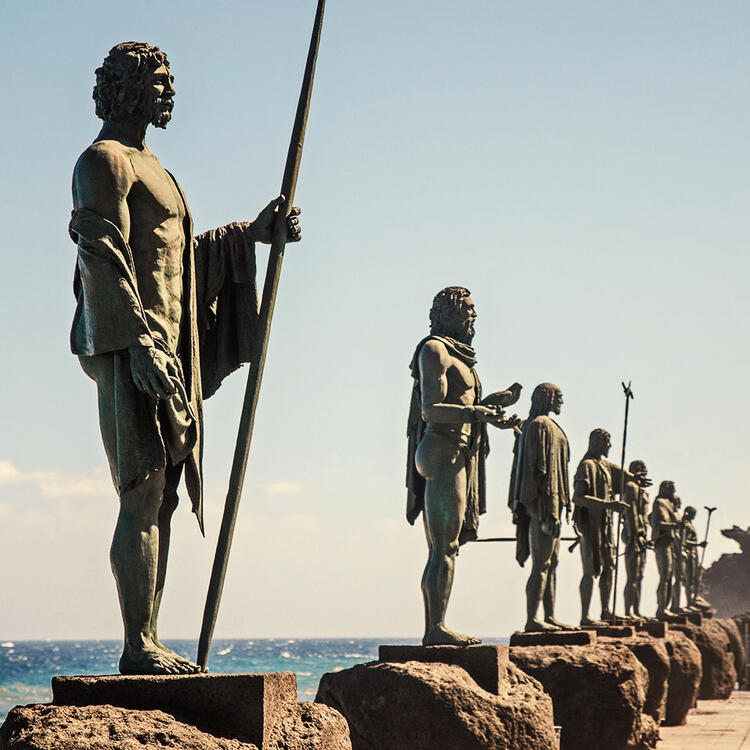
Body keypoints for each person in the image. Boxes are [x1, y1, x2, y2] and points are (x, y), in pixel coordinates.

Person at [70, 42, 301, 674]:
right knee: (141, 489)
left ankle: (149, 637)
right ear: (128, 88)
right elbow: (102, 253)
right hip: (130, 344)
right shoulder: (105, 160)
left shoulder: (155, 167)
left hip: (171, 348)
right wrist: (140, 342)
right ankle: (136, 644)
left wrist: (248, 236)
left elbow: (175, 259)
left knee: (163, 496)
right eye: (161, 82)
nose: (171, 93)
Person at [406, 286, 520, 645]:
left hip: (458, 450)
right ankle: (435, 629)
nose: (474, 317)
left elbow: (465, 405)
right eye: (469, 309)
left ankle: (437, 625)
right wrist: (475, 412)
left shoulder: (462, 357)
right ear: (451, 312)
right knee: (443, 548)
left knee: (448, 546)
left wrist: (491, 408)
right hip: (442, 450)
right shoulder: (434, 349)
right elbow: (431, 408)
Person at [508, 383, 572, 632]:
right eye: (559, 397)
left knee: (551, 564)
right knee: (541, 565)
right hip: (543, 507)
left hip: (553, 507)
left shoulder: (550, 427)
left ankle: (549, 616)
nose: (561, 402)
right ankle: (533, 619)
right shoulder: (538, 426)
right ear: (547, 398)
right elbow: (535, 472)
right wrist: (544, 509)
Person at [572, 429, 639, 625]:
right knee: (590, 570)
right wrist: (608, 505)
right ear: (598, 443)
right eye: (607, 442)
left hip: (606, 526)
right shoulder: (587, 466)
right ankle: (585, 616)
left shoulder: (604, 465)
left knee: (609, 567)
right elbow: (578, 497)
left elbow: (624, 475)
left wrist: (636, 478)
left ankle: (605, 610)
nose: (610, 446)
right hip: (590, 527)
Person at [622, 459, 650, 620]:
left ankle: (636, 610)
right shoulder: (631, 487)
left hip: (642, 535)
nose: (645, 471)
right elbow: (630, 513)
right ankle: (628, 611)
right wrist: (634, 534)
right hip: (634, 534)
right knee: (632, 576)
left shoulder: (642, 490)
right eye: (642, 468)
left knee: (639, 576)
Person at [649, 481, 680, 618]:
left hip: (670, 543)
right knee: (664, 577)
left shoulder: (670, 504)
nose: (674, 492)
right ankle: (661, 608)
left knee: (669, 577)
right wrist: (674, 525)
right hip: (662, 543)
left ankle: (665, 607)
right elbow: (658, 523)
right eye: (672, 489)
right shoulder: (659, 502)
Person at [680, 506, 707, 609]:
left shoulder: (690, 524)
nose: (694, 516)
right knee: (688, 579)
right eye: (693, 514)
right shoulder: (685, 525)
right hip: (689, 554)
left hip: (694, 554)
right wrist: (698, 545)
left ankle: (694, 599)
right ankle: (689, 603)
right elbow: (684, 541)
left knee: (696, 577)